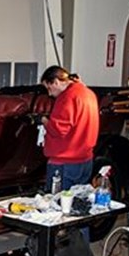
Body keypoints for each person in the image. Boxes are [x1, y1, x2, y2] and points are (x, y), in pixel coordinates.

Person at [40, 65, 99, 193]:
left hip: (64, 164)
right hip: (85, 161)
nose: (49, 94)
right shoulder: (88, 94)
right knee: (77, 205)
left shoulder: (67, 98)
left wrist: (44, 121)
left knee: (57, 206)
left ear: (56, 81)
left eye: (49, 88)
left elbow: (58, 130)